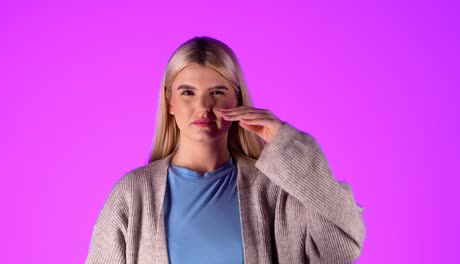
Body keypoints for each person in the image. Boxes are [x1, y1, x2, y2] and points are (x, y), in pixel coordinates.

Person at [86, 36, 366, 264]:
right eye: (187, 92)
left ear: (238, 98)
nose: (204, 107)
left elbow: (341, 246)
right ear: (169, 102)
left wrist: (288, 144)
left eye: (218, 92)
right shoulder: (133, 194)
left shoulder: (273, 192)